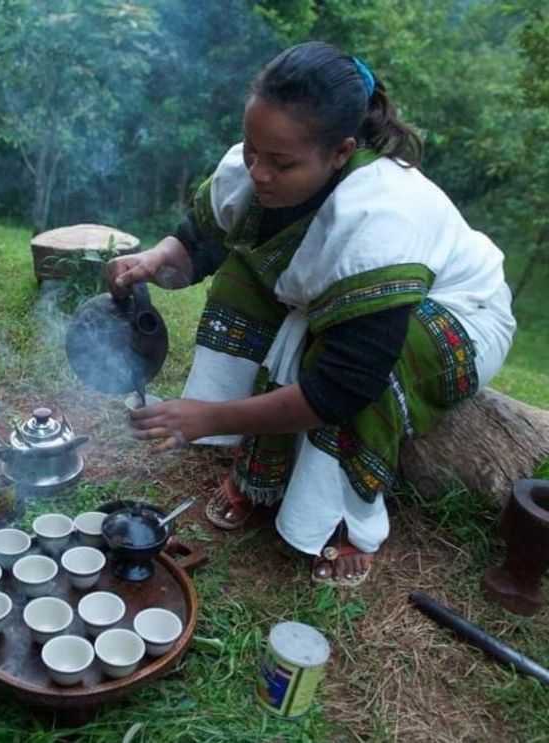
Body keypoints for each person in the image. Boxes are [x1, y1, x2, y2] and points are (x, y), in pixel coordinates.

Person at [105, 41, 516, 587]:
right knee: (241, 277)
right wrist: (155, 260)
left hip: (455, 316)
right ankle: (258, 475)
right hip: (338, 301)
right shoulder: (256, 167)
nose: (260, 172)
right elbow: (200, 240)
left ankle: (341, 519)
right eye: (253, 150)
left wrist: (207, 415)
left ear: (341, 152)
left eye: (281, 163)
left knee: (350, 359)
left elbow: (343, 386)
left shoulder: (380, 216)